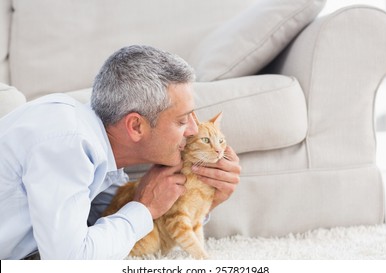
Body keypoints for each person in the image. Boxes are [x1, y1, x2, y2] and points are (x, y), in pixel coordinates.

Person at [0, 45, 241, 259]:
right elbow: (70, 261)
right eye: (181, 121)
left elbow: (103, 217)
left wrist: (202, 199)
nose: (192, 130)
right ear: (135, 126)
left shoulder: (96, 143)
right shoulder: (69, 144)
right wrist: (145, 209)